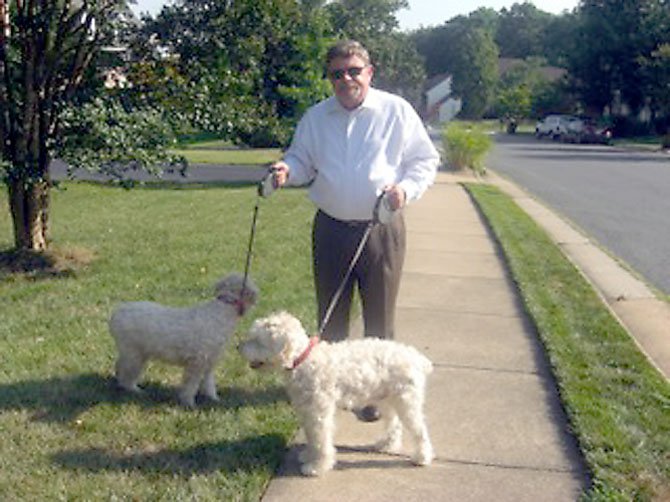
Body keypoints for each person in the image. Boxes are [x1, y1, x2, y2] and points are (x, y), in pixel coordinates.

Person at [270, 40, 439, 391]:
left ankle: (378, 392)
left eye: (353, 71)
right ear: (329, 78)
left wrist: (406, 189)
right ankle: (333, 389)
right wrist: (287, 169)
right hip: (331, 229)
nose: (346, 79)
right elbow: (302, 159)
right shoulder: (317, 117)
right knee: (331, 320)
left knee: (379, 319)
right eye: (337, 73)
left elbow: (425, 160)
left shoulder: (397, 111)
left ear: (369, 73)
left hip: (381, 230)